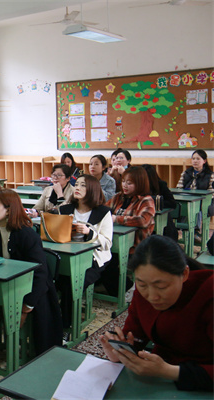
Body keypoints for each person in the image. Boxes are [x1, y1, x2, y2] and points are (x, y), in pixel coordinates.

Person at [100, 235, 212, 392]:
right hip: (159, 379)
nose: (152, 296)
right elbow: (135, 337)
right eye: (142, 284)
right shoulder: (142, 294)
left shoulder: (208, 293)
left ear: (185, 274)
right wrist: (120, 353)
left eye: (161, 287)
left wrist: (167, 371)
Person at [0, 189, 63, 360]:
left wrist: (28, 305)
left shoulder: (26, 234)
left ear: (8, 210)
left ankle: (0, 349)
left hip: (32, 289)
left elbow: (40, 274)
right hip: (5, 286)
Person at [56, 175, 113, 328]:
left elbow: (107, 243)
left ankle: (66, 326)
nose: (77, 188)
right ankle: (51, 320)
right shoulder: (65, 209)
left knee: (71, 284)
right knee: (48, 280)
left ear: (93, 190)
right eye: (76, 184)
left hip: (93, 259)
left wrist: (89, 233)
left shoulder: (103, 212)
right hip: (67, 256)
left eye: (83, 185)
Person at [102, 166, 155, 296]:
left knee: (108, 265)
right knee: (100, 261)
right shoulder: (118, 197)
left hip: (135, 246)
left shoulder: (146, 200)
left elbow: (143, 220)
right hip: (114, 241)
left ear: (140, 183)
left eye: (129, 183)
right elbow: (103, 210)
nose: (125, 185)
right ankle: (116, 289)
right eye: (123, 181)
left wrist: (117, 219)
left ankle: (127, 288)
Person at [176, 150, 214, 242]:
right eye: (193, 159)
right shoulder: (186, 173)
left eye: (198, 159)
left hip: (205, 201)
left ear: (204, 161)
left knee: (196, 208)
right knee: (182, 206)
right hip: (187, 199)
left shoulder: (210, 175)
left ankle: (194, 231)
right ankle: (185, 231)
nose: (195, 161)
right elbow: (179, 188)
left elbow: (211, 193)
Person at [142, 164, 177, 240]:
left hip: (163, 223)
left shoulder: (161, 185)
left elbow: (172, 203)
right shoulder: (138, 186)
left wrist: (154, 203)